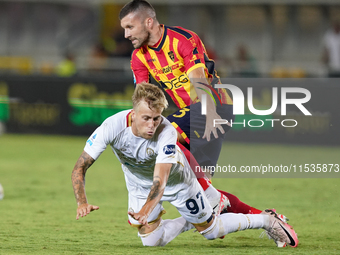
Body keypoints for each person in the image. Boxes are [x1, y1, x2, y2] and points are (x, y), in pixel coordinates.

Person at [118, 2, 292, 245]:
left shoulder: (182, 40)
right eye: (124, 28)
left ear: (148, 22)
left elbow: (200, 83)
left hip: (215, 106)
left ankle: (208, 204)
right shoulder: (139, 57)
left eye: (129, 27)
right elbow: (142, 99)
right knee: (204, 192)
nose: (126, 34)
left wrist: (207, 119)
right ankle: (266, 218)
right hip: (192, 116)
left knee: (163, 135)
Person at [71, 82, 299, 247]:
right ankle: (210, 203)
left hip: (177, 181)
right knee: (151, 241)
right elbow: (80, 167)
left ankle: (266, 220)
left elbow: (160, 181)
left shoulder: (166, 132)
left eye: (157, 118)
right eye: (146, 118)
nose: (152, 125)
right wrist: (82, 202)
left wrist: (145, 210)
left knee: (211, 231)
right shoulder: (111, 127)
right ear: (133, 113)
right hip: (138, 183)